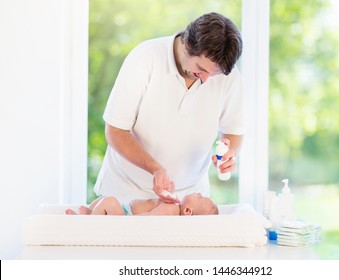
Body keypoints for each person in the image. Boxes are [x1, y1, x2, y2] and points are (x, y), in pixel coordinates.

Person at [93, 12, 244, 204]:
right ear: (187, 45)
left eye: (213, 74)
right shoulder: (144, 59)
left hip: (189, 198)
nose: (206, 79)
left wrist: (230, 154)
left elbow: (234, 131)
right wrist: (155, 168)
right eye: (201, 69)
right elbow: (115, 131)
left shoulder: (228, 76)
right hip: (126, 192)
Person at [65, 193, 219, 216]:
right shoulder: (174, 204)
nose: (198, 192)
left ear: (187, 211)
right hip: (126, 209)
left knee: (108, 202)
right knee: (102, 199)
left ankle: (87, 222)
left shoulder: (171, 209)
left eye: (200, 197)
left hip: (127, 217)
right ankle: (90, 213)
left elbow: (149, 219)